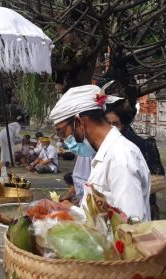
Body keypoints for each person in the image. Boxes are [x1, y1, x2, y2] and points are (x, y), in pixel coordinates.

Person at [49, 84, 151, 221]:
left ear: (79, 122)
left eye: (62, 131)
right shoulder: (103, 155)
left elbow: (130, 223)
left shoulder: (120, 158)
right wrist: (70, 210)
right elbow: (100, 214)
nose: (63, 139)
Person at [105, 102, 165, 220]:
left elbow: (158, 177)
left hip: (137, 203)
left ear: (123, 124)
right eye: (108, 124)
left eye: (115, 124)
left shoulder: (133, 145)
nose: (112, 128)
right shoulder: (107, 144)